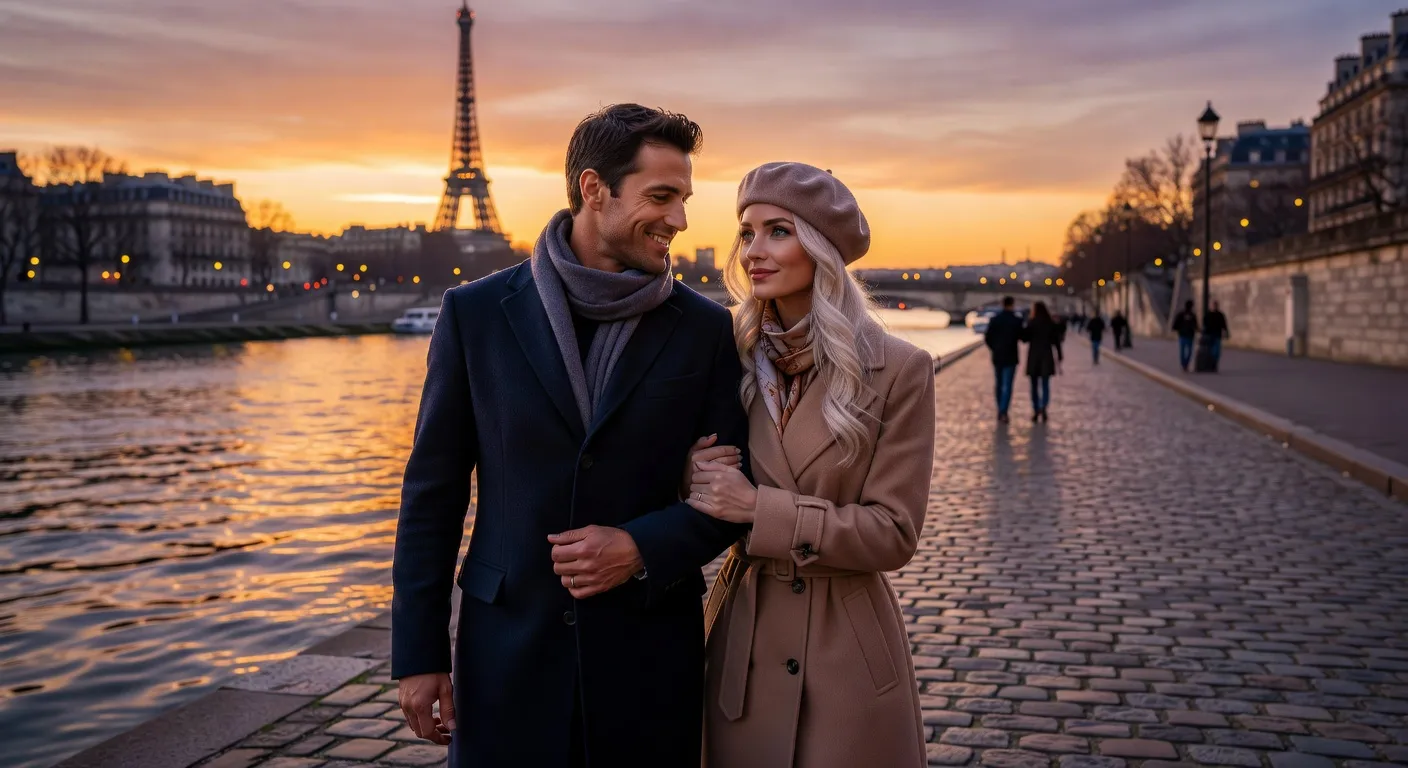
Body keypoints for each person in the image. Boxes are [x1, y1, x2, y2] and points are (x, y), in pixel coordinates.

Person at [391, 104, 750, 768]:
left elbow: (734, 494)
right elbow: (433, 495)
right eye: (662, 197)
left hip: (647, 653)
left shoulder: (704, 329)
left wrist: (641, 545)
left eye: (685, 199)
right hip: (506, 652)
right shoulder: (475, 315)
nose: (680, 220)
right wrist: (418, 655)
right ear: (594, 189)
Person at [683, 162, 934, 768]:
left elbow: (895, 534)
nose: (753, 252)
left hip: (843, 644)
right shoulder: (726, 358)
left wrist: (759, 509)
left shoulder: (899, 369)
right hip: (746, 633)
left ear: (820, 249)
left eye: (778, 232)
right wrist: (688, 471)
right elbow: (694, 494)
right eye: (746, 233)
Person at [1021, 301, 1063, 422]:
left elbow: (1024, 338)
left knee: (1034, 385)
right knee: (1045, 384)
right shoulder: (1050, 323)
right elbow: (1056, 342)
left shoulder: (1032, 323)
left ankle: (1036, 408)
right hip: (1047, 355)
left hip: (1034, 356)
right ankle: (1044, 406)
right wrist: (1060, 356)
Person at [984, 296, 1022, 423]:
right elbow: (1022, 336)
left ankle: (1000, 408)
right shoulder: (1016, 320)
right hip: (1011, 356)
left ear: (1002, 304)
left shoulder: (995, 320)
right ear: (1012, 304)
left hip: (998, 356)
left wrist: (994, 348)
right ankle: (1003, 411)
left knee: (999, 384)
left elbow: (987, 337)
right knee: (1008, 385)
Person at [1171, 299, 1200, 372]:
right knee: (1187, 351)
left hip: (1186, 335)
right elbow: (1195, 325)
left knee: (1184, 351)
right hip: (1186, 335)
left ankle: (1184, 364)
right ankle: (1185, 364)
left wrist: (1175, 328)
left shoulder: (1188, 315)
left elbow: (1176, 323)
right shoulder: (1186, 314)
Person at [1205, 300, 1230, 366]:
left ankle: (1214, 362)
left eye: (1215, 305)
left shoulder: (1220, 315)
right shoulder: (1208, 315)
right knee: (1210, 349)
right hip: (1209, 334)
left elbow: (1224, 324)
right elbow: (1205, 324)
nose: (1214, 307)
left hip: (1217, 334)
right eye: (1213, 305)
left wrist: (1226, 332)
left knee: (1216, 350)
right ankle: (1211, 362)